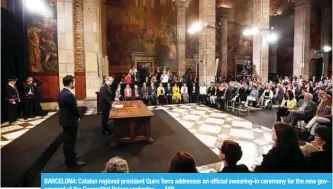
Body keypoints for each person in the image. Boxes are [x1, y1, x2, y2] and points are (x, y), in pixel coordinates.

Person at [57, 75, 85, 167]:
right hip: (71, 121)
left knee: (67, 141)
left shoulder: (61, 93)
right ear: (70, 83)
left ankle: (70, 158)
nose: (75, 83)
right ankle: (71, 161)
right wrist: (78, 116)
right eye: (74, 82)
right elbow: (74, 109)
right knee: (71, 141)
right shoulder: (69, 95)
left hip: (65, 120)